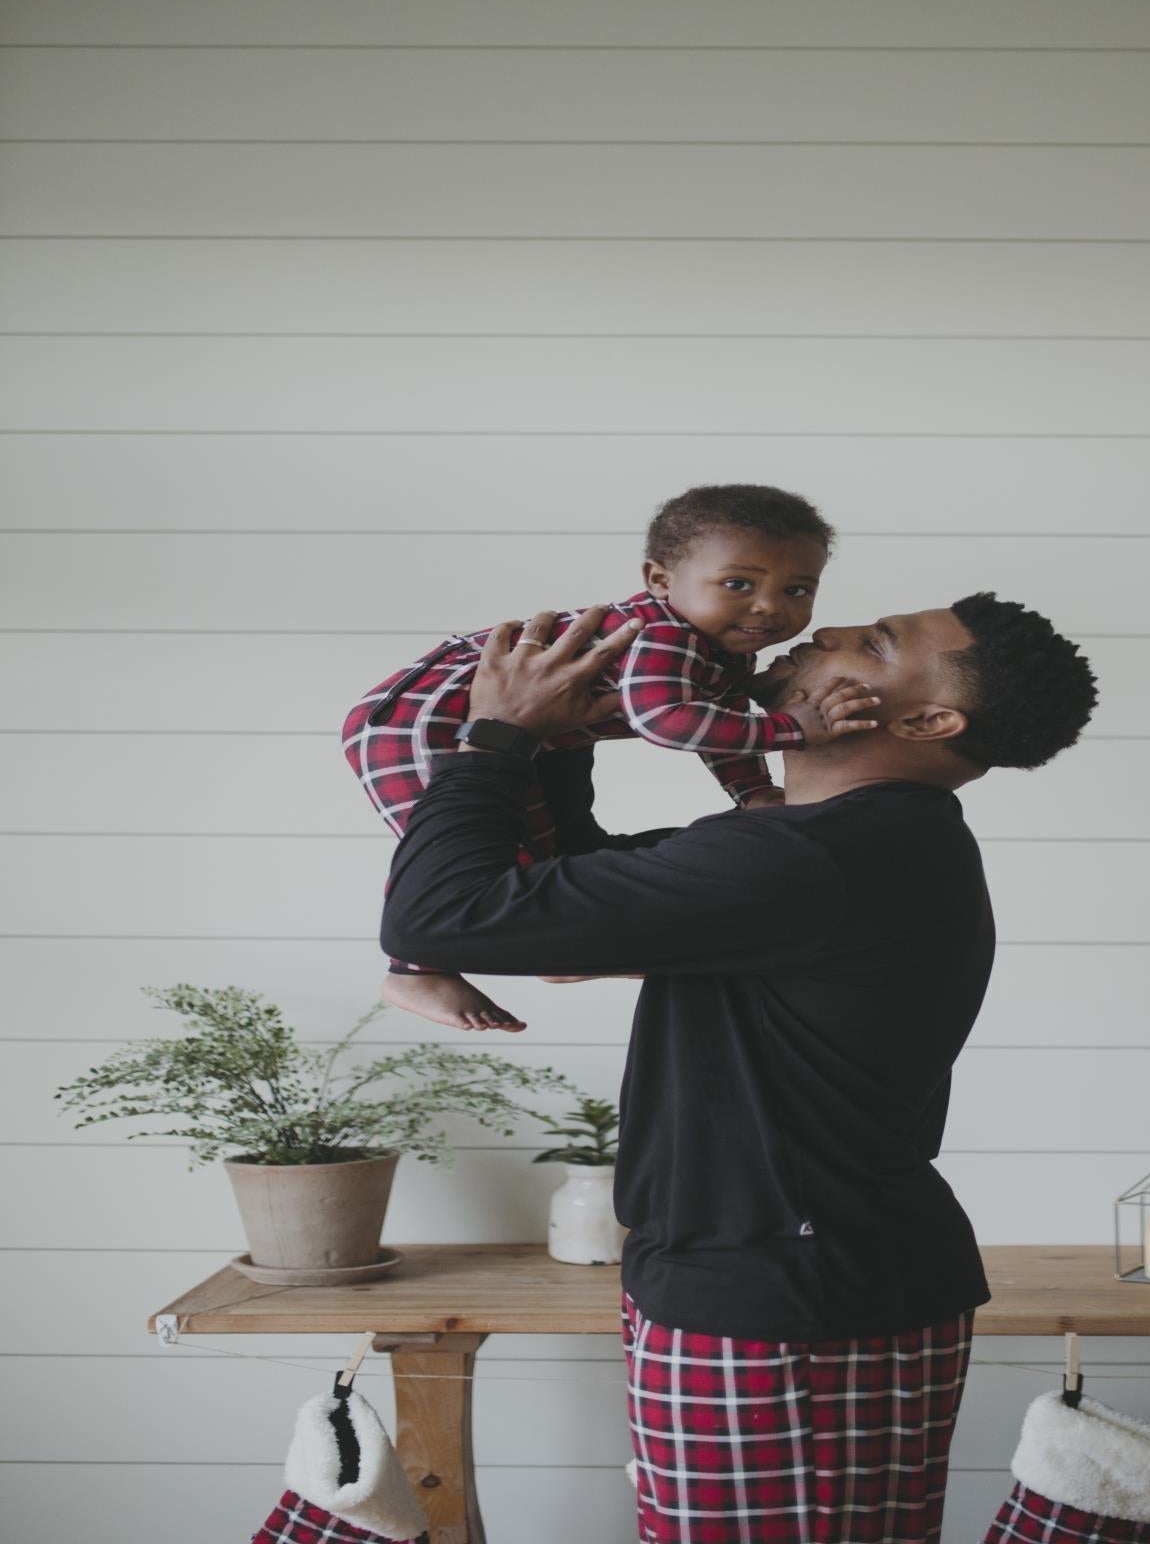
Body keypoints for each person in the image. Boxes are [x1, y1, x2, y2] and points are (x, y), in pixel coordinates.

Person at [379, 592, 1099, 1543]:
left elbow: (442, 917)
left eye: (875, 645)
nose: (824, 632)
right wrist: (560, 739)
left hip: (786, 1305)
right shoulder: (842, 847)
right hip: (783, 1284)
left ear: (929, 721)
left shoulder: (817, 859)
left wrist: (499, 735)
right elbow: (555, 911)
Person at [342, 483, 853, 1033]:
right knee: (462, 851)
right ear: (660, 580)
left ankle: (552, 951)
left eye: (797, 589)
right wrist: (788, 730)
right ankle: (413, 970)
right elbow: (666, 720)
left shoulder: (719, 647)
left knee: (534, 846)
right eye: (738, 584)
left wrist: (751, 792)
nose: (769, 606)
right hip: (416, 723)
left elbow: (718, 721)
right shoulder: (664, 633)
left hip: (504, 734)